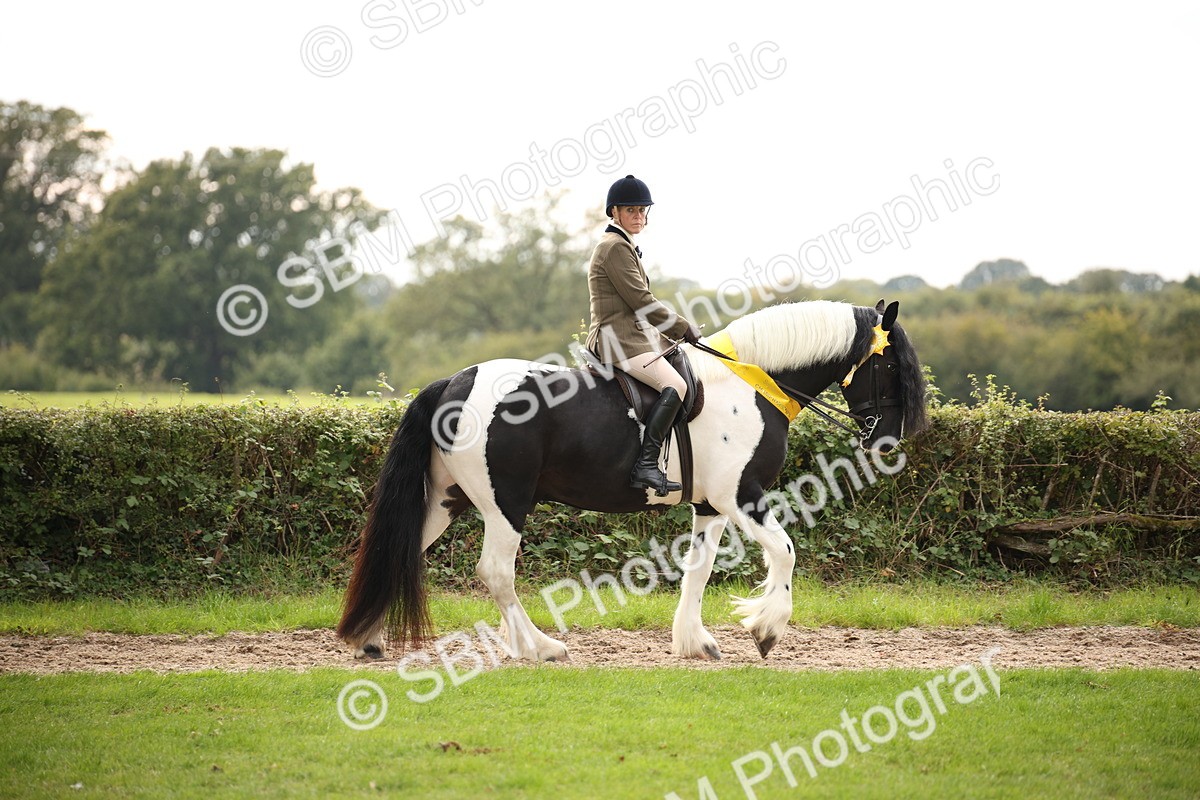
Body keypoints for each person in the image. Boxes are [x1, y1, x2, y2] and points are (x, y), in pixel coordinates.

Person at [586, 174, 701, 496]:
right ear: (614, 213)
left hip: (630, 335)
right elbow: (641, 302)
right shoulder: (614, 248)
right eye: (631, 211)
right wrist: (683, 328)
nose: (639, 216)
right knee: (675, 384)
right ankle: (646, 465)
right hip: (617, 339)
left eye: (642, 210)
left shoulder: (623, 245)